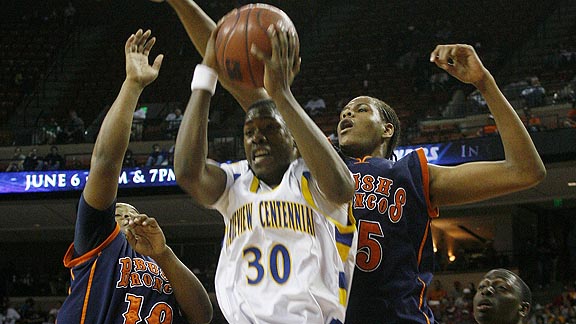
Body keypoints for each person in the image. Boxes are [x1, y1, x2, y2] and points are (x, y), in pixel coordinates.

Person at [154, 2, 545, 323]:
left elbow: (524, 171)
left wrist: (484, 83)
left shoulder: (410, 174)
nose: (345, 115)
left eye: (360, 110)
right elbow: (232, 62)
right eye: (343, 111)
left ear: (388, 128)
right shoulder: (313, 165)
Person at [173, 23, 357, 324]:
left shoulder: (311, 177)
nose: (257, 137)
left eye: (270, 128)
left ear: (294, 141)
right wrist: (206, 76)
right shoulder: (235, 182)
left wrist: (281, 94)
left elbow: (342, 189)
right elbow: (187, 173)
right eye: (249, 132)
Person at [56, 29, 212, 324]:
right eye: (120, 214)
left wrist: (164, 254)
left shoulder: (160, 259)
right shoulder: (99, 241)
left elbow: (202, 315)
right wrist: (132, 85)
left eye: (134, 214)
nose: (129, 218)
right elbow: (105, 162)